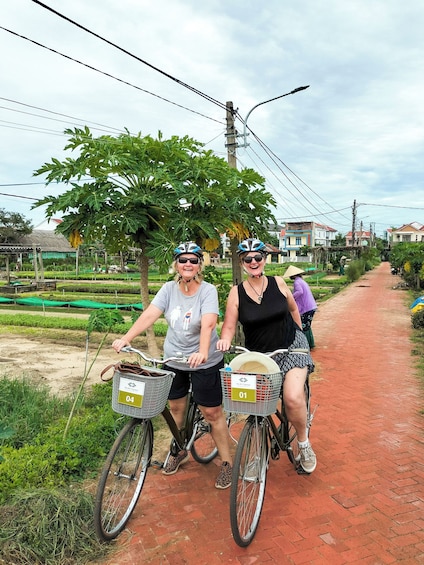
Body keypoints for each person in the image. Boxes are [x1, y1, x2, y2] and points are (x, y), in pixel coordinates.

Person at [112, 242, 233, 489]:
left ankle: (228, 463)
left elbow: (209, 323)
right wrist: (127, 337)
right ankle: (179, 449)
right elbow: (149, 314)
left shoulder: (207, 290)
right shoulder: (168, 289)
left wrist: (201, 352)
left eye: (193, 260)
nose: (188, 264)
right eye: (183, 260)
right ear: (176, 264)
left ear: (200, 265)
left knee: (212, 413)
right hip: (174, 359)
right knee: (176, 408)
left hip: (204, 361)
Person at [216, 238, 317, 474]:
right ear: (242, 263)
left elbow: (293, 309)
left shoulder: (279, 283)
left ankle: (304, 443)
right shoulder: (236, 293)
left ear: (264, 259)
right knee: (255, 406)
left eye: (257, 257)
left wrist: (299, 332)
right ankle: (256, 453)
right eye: (247, 259)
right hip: (259, 355)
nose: (253, 262)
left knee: (292, 398)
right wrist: (225, 340)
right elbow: (229, 326)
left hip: (290, 347)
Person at [284, 265, 317, 349]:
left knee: (303, 326)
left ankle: (305, 345)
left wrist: (290, 297)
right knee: (307, 325)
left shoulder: (297, 282)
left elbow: (299, 292)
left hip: (306, 307)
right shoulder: (301, 281)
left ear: (293, 275)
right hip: (310, 306)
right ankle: (311, 343)